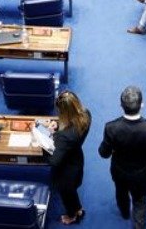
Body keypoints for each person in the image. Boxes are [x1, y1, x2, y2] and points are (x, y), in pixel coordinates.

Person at [98, 86, 146, 228]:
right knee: (140, 200)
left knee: (121, 193)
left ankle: (124, 213)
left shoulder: (111, 127)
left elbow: (104, 153)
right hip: (142, 174)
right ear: (142, 105)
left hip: (119, 172)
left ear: (121, 105)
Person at [45, 91, 92, 225]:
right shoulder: (86, 115)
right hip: (76, 159)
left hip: (65, 172)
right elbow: (71, 126)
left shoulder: (64, 136)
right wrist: (57, 124)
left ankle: (72, 216)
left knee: (67, 193)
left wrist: (45, 142)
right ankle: (78, 209)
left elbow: (54, 161)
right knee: (71, 191)